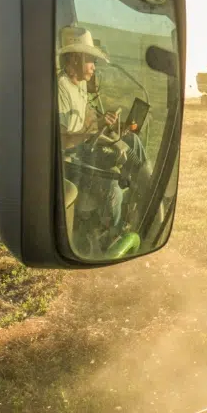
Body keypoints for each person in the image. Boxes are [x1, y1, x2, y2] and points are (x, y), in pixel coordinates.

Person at [56, 25, 145, 256]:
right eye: (90, 60)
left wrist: (107, 123)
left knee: (131, 141)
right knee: (112, 187)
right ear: (74, 59)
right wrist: (93, 134)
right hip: (70, 160)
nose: (94, 67)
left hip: (82, 149)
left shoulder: (81, 85)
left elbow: (86, 120)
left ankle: (146, 190)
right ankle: (110, 241)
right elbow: (62, 140)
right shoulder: (61, 88)